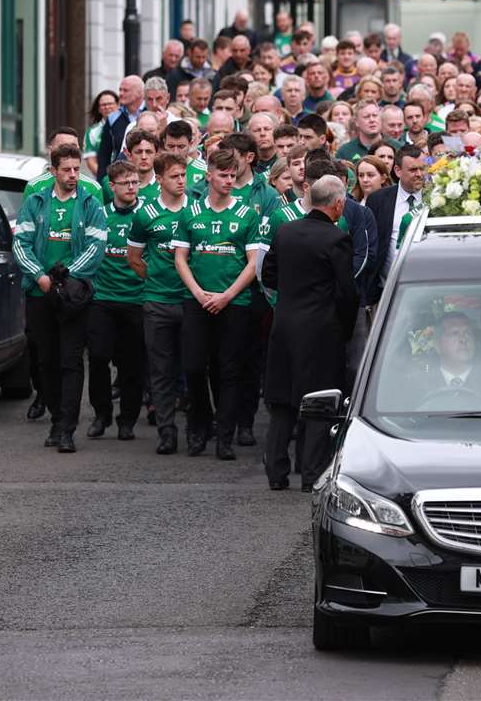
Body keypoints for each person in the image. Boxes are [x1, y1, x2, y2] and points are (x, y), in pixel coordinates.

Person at [260, 174, 359, 491]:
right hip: (321, 330)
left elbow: (269, 275)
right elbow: (347, 292)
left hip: (285, 324)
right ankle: (312, 472)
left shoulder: (286, 231)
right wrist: (343, 327)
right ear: (338, 204)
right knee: (319, 402)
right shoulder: (336, 238)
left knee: (281, 400)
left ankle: (276, 472)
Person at [12, 142, 106, 453]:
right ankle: (55, 418)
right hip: (40, 293)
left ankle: (67, 428)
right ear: (53, 171)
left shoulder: (90, 202)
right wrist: (40, 276)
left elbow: (96, 246)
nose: (72, 175)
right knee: (46, 361)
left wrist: (63, 277)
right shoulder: (36, 201)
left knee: (71, 361)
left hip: (73, 295)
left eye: (77, 169)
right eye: (66, 170)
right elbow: (21, 244)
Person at [173, 147, 266, 460]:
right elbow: (180, 258)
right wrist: (199, 292)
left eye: (232, 175)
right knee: (194, 367)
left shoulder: (246, 214)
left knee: (230, 370)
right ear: (208, 175)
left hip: (234, 302)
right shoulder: (191, 212)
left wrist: (227, 295)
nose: (229, 180)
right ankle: (199, 424)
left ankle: (225, 436)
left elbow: (253, 263)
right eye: (223, 175)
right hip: (196, 300)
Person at [127, 152, 191, 455]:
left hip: (191, 301)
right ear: (161, 179)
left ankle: (198, 428)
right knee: (161, 370)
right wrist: (154, 278)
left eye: (184, 175)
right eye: (175, 176)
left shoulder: (196, 208)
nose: (181, 181)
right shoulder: (146, 214)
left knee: (193, 367)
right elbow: (134, 258)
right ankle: (167, 431)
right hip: (157, 301)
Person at [87, 160, 147, 441]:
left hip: (136, 299)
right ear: (112, 187)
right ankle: (102, 414)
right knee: (98, 357)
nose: (132, 187)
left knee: (132, 364)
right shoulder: (100, 215)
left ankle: (128, 420)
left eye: (135, 182)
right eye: (126, 183)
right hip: (103, 298)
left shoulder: (146, 214)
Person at [366, 144, 428, 303]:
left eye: (423, 168)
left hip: (428, 286)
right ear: (398, 171)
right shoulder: (378, 200)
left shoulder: (438, 198)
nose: (419, 174)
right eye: (413, 170)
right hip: (387, 291)